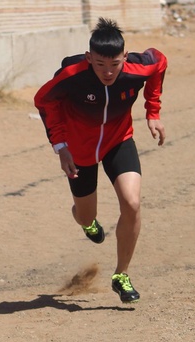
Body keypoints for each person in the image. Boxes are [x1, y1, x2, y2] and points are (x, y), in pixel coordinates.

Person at [33, 18, 167, 304]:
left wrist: (152, 111)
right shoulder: (72, 75)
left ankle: (122, 274)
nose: (108, 72)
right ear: (88, 58)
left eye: (115, 64)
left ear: (125, 57)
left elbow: (160, 62)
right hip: (79, 151)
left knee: (132, 203)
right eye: (100, 65)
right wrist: (61, 146)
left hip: (118, 141)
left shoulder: (136, 68)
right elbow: (44, 100)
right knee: (85, 215)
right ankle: (86, 221)